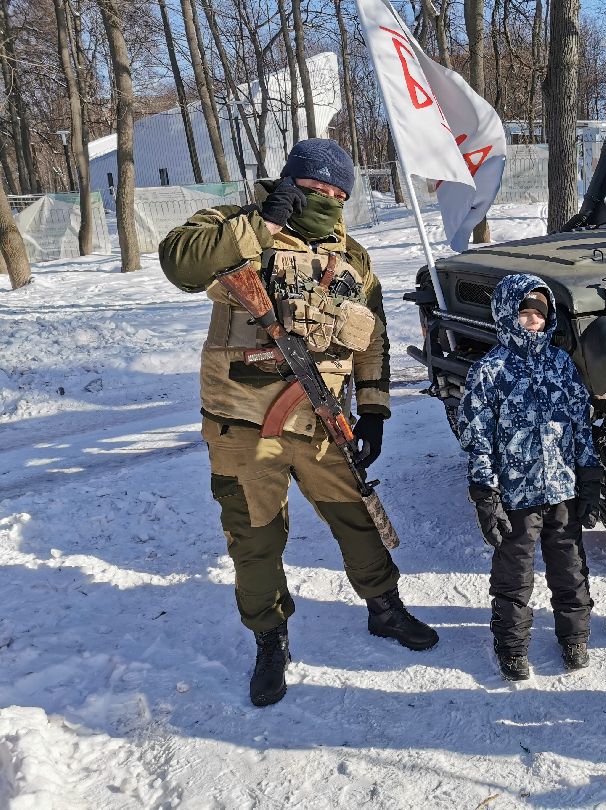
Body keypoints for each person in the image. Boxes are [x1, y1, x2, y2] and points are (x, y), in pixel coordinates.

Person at [159, 138, 438, 708]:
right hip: (242, 427)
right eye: (314, 189)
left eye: (338, 193)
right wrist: (258, 227)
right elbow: (179, 263)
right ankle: (270, 639)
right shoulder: (235, 223)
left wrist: (375, 409)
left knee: (358, 516)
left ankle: (384, 608)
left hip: (321, 422)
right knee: (255, 540)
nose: (327, 200)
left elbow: (373, 337)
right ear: (290, 183)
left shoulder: (353, 256)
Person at [457, 273, 601, 681]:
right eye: (524, 311)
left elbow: (580, 422)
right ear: (506, 314)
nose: (533, 318)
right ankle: (512, 645)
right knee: (514, 573)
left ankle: (574, 637)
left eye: (540, 311)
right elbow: (477, 434)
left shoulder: (560, 363)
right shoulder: (490, 369)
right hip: (516, 494)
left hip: (562, 489)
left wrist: (588, 475)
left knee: (570, 567)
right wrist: (486, 491)